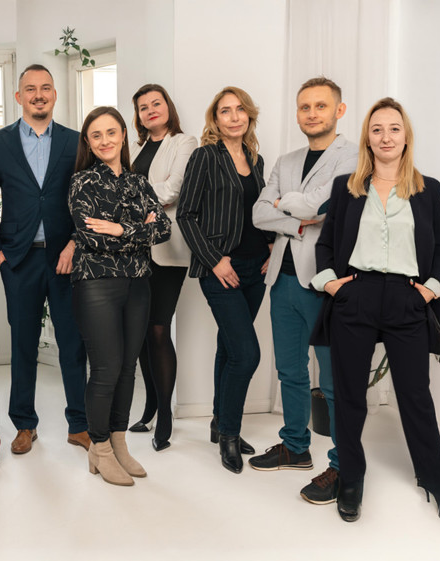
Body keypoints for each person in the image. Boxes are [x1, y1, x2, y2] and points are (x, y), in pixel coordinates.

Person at [311, 97, 440, 524]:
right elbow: (326, 243)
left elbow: (439, 247)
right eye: (377, 129)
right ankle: (351, 479)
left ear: (406, 136)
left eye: (394, 128)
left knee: (415, 396)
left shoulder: (428, 188)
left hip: (406, 298)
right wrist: (330, 283)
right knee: (349, 396)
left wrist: (430, 290)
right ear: (367, 138)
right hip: (355, 296)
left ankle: (438, 482)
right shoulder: (346, 187)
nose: (385, 137)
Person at [250, 77, 356, 504]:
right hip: (283, 279)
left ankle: (342, 465)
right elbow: (260, 213)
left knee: (332, 382)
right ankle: (295, 446)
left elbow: (319, 205)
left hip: (325, 283)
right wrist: (294, 219)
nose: (312, 114)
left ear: (339, 111)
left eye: (320, 106)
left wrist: (286, 204)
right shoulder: (286, 159)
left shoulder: (352, 155)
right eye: (305, 107)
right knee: (290, 371)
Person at [0, 64, 90, 454]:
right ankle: (24, 424)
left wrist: (76, 243)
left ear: (55, 95)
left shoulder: (76, 142)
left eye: (45, 88)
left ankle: (79, 424)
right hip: (19, 259)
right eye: (30, 89)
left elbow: (88, 201)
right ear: (19, 97)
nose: (38, 95)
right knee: (23, 344)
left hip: (66, 259)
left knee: (72, 343)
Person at [70, 107, 171, 486]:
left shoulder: (139, 182)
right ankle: (99, 449)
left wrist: (117, 229)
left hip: (138, 284)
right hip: (96, 284)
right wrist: (136, 230)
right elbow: (91, 237)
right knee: (106, 369)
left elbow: (164, 229)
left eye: (111, 132)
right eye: (96, 135)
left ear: (124, 135)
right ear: (88, 142)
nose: (105, 141)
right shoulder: (82, 183)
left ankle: (118, 442)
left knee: (128, 368)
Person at [178, 86, 272, 474]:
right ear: (215, 119)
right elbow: (186, 215)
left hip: (256, 269)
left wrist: (271, 246)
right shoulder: (205, 156)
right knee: (247, 354)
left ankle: (220, 422)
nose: (234, 117)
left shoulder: (256, 159)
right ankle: (230, 436)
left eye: (240, 110)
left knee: (230, 347)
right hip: (222, 270)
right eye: (225, 111)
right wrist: (214, 260)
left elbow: (259, 211)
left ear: (249, 115)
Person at [126, 84, 197, 451]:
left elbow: (174, 189)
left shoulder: (184, 143)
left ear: (168, 107)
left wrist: (131, 199)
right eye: (143, 107)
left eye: (156, 103)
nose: (150, 110)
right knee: (140, 331)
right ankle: (151, 404)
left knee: (157, 328)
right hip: (135, 252)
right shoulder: (136, 149)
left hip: (168, 251)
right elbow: (145, 191)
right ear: (138, 116)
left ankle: (166, 414)